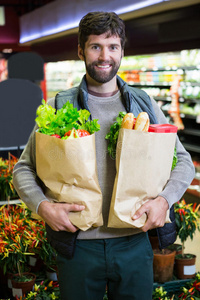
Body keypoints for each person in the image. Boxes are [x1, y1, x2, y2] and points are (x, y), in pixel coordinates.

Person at [13, 12, 195, 300]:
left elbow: (183, 162)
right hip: (79, 246)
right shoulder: (59, 105)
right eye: (95, 46)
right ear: (81, 51)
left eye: (112, 47)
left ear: (122, 50)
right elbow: (23, 169)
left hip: (134, 243)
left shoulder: (143, 105)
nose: (104, 56)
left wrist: (164, 200)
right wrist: (44, 207)